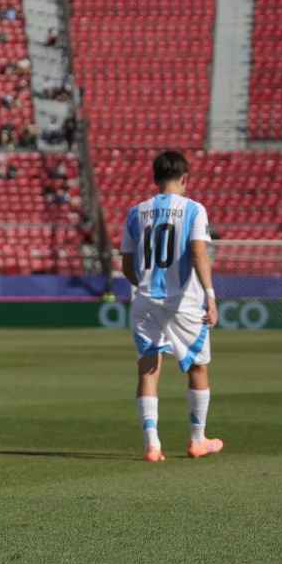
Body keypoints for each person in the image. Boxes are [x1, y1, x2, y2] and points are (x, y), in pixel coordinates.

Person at [119, 151, 222, 463]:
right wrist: (210, 295)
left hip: (145, 301)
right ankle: (197, 439)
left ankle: (153, 446)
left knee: (149, 369)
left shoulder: (136, 212)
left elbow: (126, 265)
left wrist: (148, 286)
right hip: (183, 303)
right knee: (197, 367)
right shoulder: (194, 209)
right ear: (185, 179)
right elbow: (198, 252)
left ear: (154, 178)